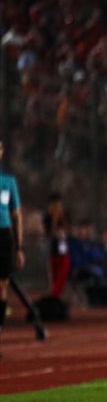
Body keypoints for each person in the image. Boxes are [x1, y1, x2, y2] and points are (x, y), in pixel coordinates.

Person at [0, 139, 24, 341]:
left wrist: (19, 247)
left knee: (2, 285)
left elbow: (16, 215)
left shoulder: (8, 182)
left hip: (4, 235)